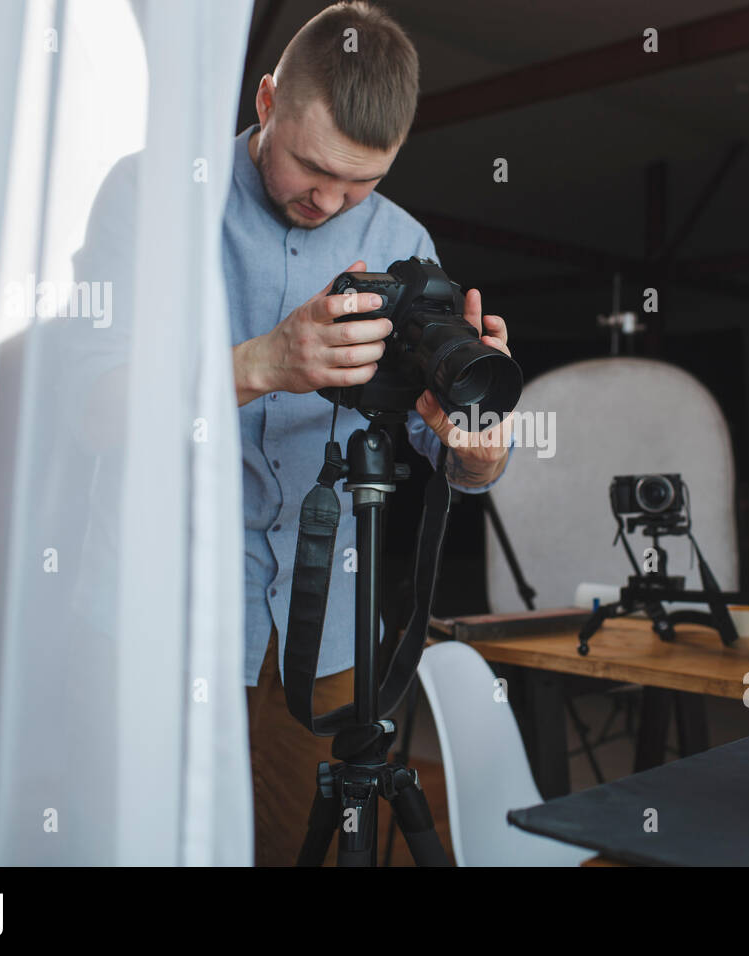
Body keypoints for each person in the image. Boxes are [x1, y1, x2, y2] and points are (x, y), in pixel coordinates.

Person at [230, 1, 514, 865]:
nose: (332, 202)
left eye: (362, 183)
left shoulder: (402, 241)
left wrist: (476, 448)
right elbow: (83, 406)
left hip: (328, 627)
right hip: (170, 616)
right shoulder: (161, 201)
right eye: (313, 169)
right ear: (268, 97)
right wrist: (266, 361)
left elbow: (438, 447)